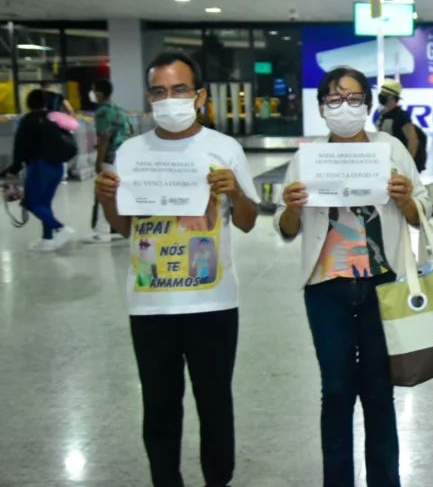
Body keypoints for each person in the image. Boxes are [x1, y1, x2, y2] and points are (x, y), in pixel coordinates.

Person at [93, 52, 260, 487]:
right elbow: (125, 227)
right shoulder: (131, 152)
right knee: (160, 405)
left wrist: (234, 192)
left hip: (213, 301)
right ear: (150, 99)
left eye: (180, 90)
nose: (170, 100)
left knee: (214, 403)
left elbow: (246, 221)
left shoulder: (225, 149)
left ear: (199, 96)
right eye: (160, 92)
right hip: (149, 302)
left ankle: (217, 479)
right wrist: (109, 199)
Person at [275, 67, 431, 487]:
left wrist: (406, 202)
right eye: (334, 99)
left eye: (354, 97)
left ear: (368, 102)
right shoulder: (306, 159)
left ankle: (386, 480)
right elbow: (287, 229)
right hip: (326, 289)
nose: (345, 107)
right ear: (321, 106)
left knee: (380, 393)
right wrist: (290, 208)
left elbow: (422, 208)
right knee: (338, 391)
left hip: (385, 287)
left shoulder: (392, 149)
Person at [2, 89, 75, 251]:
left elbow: (20, 147)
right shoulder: (54, 118)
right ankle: (47, 239)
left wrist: (14, 168)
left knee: (31, 203)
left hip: (39, 167)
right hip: (57, 167)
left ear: (28, 104)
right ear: (45, 103)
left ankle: (60, 228)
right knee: (44, 203)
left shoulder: (29, 120)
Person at [85, 79, 132, 243]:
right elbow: (131, 130)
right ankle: (118, 227)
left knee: (105, 193)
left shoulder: (102, 112)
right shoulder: (119, 109)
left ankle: (102, 231)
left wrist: (99, 161)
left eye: (93, 89)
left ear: (99, 92)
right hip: (124, 156)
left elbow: (104, 137)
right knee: (119, 193)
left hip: (110, 158)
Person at [376, 79, 426, 172]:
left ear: (391, 96)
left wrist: (407, 163)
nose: (380, 95)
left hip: (399, 162)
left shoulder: (401, 116)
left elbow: (413, 140)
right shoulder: (383, 114)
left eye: (383, 93)